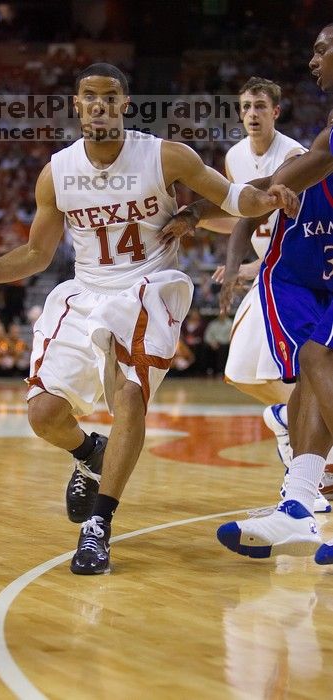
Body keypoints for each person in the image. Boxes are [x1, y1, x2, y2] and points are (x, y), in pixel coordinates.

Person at [0, 63, 297, 575]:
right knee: (43, 415)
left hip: (147, 286)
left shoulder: (165, 155)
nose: (100, 105)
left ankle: (99, 526)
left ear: (125, 103)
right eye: (90, 96)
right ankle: (91, 452)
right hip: (85, 290)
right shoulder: (57, 173)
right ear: (77, 104)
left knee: (128, 394)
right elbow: (37, 255)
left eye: (110, 96)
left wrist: (265, 198)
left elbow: (229, 197)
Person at [166, 25, 333, 561]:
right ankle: (301, 506)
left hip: (300, 260)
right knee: (311, 360)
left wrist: (200, 209)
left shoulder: (305, 147)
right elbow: (257, 200)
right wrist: (224, 232)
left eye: (322, 49)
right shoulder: (318, 134)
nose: (313, 59)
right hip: (305, 266)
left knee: (313, 364)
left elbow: (275, 190)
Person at [201, 78, 333, 509]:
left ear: (276, 111)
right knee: (243, 371)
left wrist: (251, 265)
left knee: (308, 365)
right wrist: (201, 221)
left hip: (293, 269)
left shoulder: (297, 155)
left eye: (260, 105)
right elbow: (242, 212)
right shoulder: (235, 157)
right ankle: (292, 430)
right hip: (271, 270)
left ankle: (308, 464)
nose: (252, 113)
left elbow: (296, 224)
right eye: (245, 106)